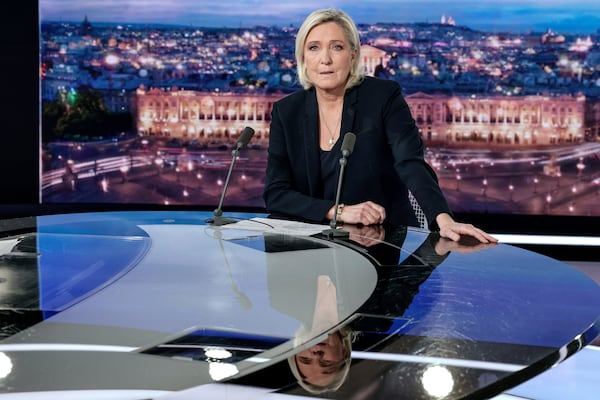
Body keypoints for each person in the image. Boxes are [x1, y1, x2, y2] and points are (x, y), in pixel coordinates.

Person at [263, 8, 497, 244]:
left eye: (337, 47)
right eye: (314, 47)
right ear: (302, 57)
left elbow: (410, 163)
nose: (325, 59)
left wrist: (444, 220)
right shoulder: (286, 111)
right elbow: (276, 193)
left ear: (353, 55)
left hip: (379, 244)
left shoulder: (382, 97)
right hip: (309, 250)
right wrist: (338, 211)